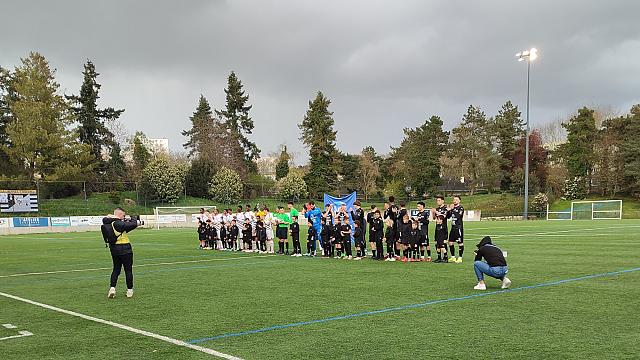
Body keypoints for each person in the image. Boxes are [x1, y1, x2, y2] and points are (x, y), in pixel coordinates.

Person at [102, 207, 139, 299]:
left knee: (116, 269)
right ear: (119, 214)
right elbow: (133, 224)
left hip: (114, 249)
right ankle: (129, 290)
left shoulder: (109, 222)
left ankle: (112, 288)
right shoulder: (118, 223)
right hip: (125, 248)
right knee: (128, 270)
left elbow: (126, 229)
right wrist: (132, 218)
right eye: (123, 215)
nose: (123, 216)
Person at [447, 195, 465, 263]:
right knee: (450, 242)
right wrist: (449, 210)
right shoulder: (452, 208)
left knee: (460, 243)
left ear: (459, 201)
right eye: (454, 199)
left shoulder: (461, 208)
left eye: (456, 200)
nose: (455, 201)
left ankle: (460, 258)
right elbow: (448, 217)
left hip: (458, 228)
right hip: (453, 228)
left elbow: (458, 216)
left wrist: (452, 209)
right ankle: (453, 257)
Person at [432, 195, 449, 262]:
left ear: (442, 201)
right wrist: (433, 213)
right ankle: (439, 258)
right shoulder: (437, 209)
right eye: (437, 201)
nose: (437, 202)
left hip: (443, 228)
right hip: (437, 228)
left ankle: (445, 257)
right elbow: (434, 218)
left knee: (442, 245)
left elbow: (443, 216)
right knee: (437, 244)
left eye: (439, 200)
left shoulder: (445, 208)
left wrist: (436, 212)